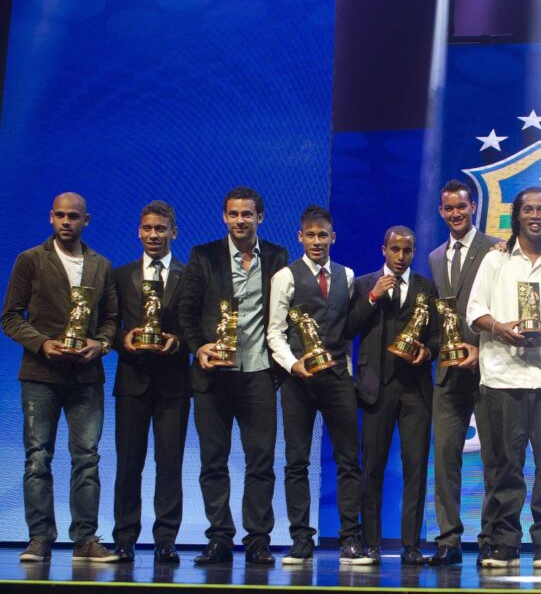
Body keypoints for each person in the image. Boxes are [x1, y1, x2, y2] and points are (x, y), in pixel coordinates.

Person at [1, 192, 118, 563]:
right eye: (61, 216)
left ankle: (85, 540)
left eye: (74, 216)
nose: (67, 222)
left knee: (87, 458)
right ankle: (39, 538)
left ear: (87, 221)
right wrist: (42, 344)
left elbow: (112, 321)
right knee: (38, 457)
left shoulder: (102, 265)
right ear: (51, 218)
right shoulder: (30, 260)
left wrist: (100, 344)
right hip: (41, 374)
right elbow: (10, 317)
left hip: (86, 376)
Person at [466, 187, 541, 568]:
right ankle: (505, 543)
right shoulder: (495, 260)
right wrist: (499, 328)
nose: (535, 215)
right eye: (528, 209)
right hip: (502, 375)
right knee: (505, 465)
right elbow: (474, 311)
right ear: (517, 216)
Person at [178, 186, 288, 565]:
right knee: (213, 460)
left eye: (247, 214)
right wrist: (199, 347)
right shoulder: (203, 255)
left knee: (261, 461)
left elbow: (286, 315)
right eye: (233, 214)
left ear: (260, 217)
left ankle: (258, 538)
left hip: (258, 373)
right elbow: (186, 312)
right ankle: (219, 538)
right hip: (212, 376)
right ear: (225, 218)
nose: (240, 220)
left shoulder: (277, 257)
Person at [266, 205, 370, 566]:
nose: (316, 241)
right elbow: (274, 332)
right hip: (298, 381)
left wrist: (349, 374)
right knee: (297, 461)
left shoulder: (348, 275)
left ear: (332, 238)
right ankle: (300, 539)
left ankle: (349, 540)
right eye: (309, 235)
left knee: (348, 459)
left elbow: (345, 329)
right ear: (300, 237)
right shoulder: (285, 276)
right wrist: (293, 365)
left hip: (338, 378)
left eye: (322, 235)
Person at [346, 226, 439, 565]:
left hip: (415, 390)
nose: (401, 257)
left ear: (414, 252)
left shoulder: (426, 288)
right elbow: (347, 329)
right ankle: (370, 543)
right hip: (375, 387)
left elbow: (438, 338)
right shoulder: (362, 284)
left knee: (415, 468)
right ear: (383, 249)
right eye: (395, 250)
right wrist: (372, 297)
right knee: (372, 468)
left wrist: (426, 354)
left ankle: (411, 546)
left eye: (407, 251)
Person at [426, 180, 502, 566]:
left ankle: (489, 537)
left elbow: (502, 308)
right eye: (448, 208)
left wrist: (482, 348)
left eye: (461, 206)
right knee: (445, 458)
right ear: (441, 211)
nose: (455, 213)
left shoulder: (496, 248)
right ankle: (448, 539)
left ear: (473, 206)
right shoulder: (435, 256)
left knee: (493, 458)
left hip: (488, 369)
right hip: (447, 372)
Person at [110, 200, 190, 564]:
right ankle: (124, 538)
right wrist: (121, 340)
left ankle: (166, 539)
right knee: (129, 464)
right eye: (147, 229)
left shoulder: (190, 277)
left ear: (173, 232)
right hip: (132, 381)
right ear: (138, 231)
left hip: (174, 383)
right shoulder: (120, 275)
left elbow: (199, 327)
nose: (154, 235)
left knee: (170, 464)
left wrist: (179, 342)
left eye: (161, 229)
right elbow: (107, 324)